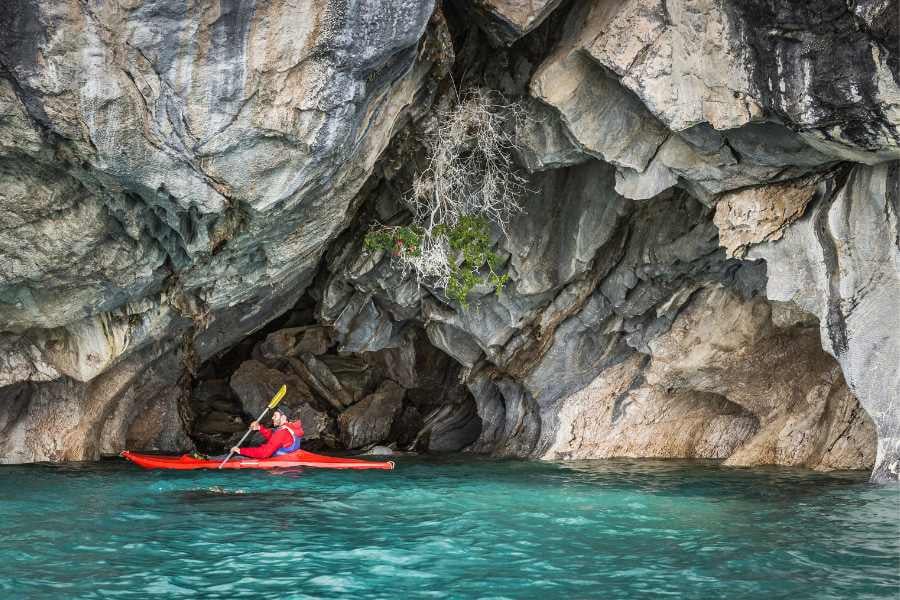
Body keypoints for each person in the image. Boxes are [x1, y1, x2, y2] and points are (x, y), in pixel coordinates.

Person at [230, 408, 304, 459]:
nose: (272, 418)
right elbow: (275, 439)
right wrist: (260, 428)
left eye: (275, 415)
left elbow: (264, 453)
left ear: (283, 417)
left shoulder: (282, 433)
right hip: (290, 458)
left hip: (282, 468)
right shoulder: (291, 427)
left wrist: (240, 451)